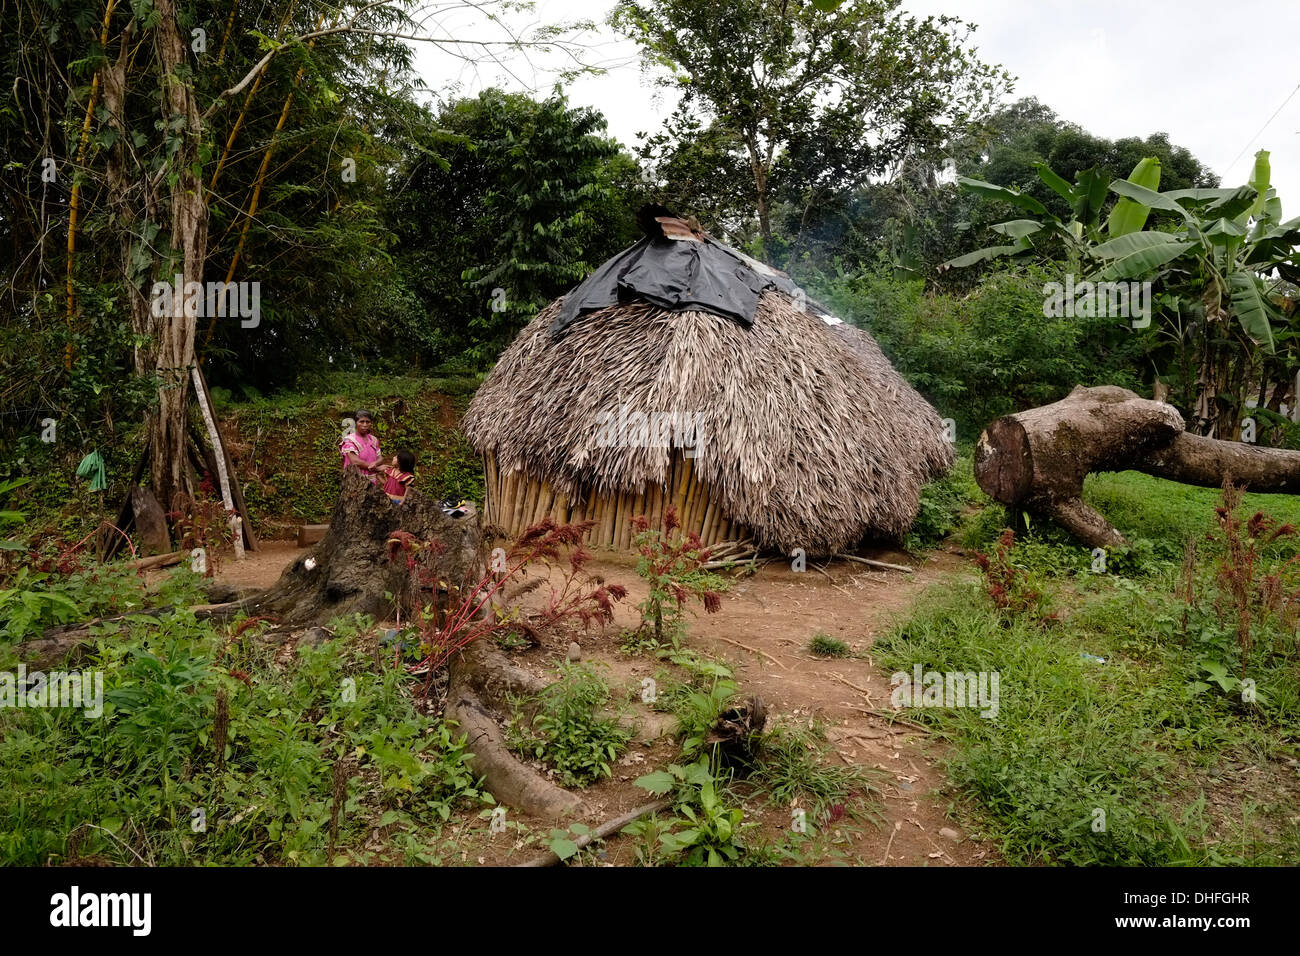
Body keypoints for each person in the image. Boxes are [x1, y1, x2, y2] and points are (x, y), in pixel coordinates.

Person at [339, 409, 383, 485]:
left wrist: (375, 463)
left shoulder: (374, 440)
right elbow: (355, 461)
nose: (365, 424)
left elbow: (380, 458)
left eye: (367, 422)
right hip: (355, 481)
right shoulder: (349, 440)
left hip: (371, 482)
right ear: (356, 423)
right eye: (361, 421)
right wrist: (376, 468)